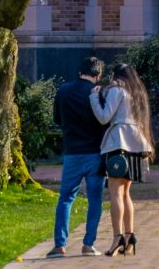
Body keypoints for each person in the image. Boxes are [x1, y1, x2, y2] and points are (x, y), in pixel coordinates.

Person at [93, 61, 154, 258]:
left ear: (116, 76)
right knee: (126, 193)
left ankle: (117, 238)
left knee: (115, 193)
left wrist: (94, 97)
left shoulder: (117, 90)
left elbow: (104, 117)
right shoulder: (138, 93)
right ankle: (130, 236)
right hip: (138, 143)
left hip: (118, 143)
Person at [50, 57, 108, 258]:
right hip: (95, 153)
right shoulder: (97, 94)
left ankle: (59, 244)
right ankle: (88, 244)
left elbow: (57, 118)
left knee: (65, 198)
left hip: (72, 152)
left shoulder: (64, 90)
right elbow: (104, 121)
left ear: (79, 72)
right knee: (95, 200)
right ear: (98, 75)